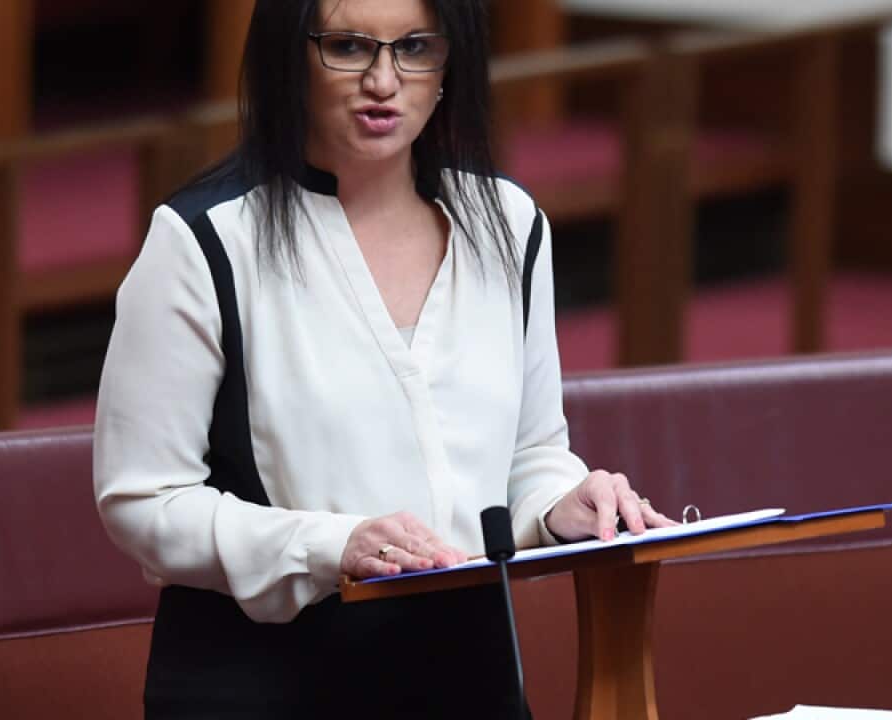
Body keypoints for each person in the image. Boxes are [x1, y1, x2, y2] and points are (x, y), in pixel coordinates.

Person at [93, 0, 677, 716]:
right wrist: (332, 545)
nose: (383, 79)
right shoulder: (202, 240)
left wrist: (564, 506)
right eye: (347, 46)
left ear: (448, 63)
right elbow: (142, 502)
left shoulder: (511, 225)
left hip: (469, 679)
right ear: (289, 56)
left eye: (415, 48)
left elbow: (529, 454)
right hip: (263, 686)